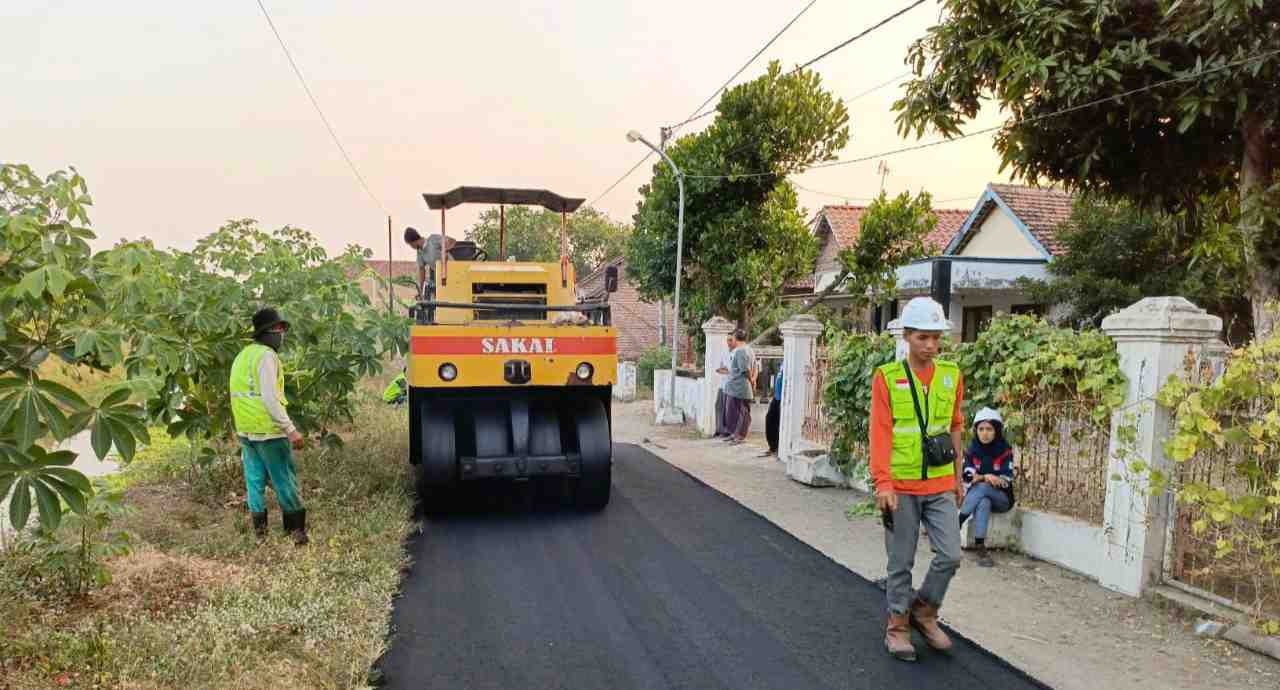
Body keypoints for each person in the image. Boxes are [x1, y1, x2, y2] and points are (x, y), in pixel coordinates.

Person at [870, 296, 965, 661]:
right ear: (907, 337)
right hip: (901, 486)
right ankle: (897, 626)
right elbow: (880, 433)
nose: (931, 345)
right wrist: (883, 483)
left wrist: (958, 478)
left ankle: (924, 610)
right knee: (900, 561)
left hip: (940, 484)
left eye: (936, 337)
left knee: (951, 555)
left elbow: (955, 426)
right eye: (923, 337)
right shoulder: (888, 378)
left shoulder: (951, 376)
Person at [230, 308, 309, 545]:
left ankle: (260, 536)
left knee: (254, 481)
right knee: (284, 479)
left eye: (283, 329)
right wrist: (290, 429)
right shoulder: (266, 356)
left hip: (246, 430)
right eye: (277, 329)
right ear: (265, 333)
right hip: (268, 431)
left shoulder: (244, 355)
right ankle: (296, 533)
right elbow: (269, 398)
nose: (281, 334)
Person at [959, 407, 1016, 567]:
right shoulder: (971, 451)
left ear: (996, 431)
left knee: (983, 488)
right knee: (983, 500)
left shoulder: (1005, 450)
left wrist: (982, 478)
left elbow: (1006, 479)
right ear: (976, 430)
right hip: (979, 498)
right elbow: (967, 477)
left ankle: (956, 523)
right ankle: (980, 547)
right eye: (981, 429)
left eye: (989, 429)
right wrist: (986, 477)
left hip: (1002, 499)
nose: (985, 433)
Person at [404, 226, 456, 299]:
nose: (411, 247)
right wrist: (421, 290)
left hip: (454, 271)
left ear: (413, 241)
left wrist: (445, 250)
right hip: (440, 277)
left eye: (410, 244)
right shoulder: (420, 252)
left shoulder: (433, 240)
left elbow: (453, 241)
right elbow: (421, 270)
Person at [723, 329, 754, 445]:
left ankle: (740, 436)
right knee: (734, 413)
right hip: (736, 387)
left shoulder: (741, 351)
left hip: (739, 387)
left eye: (733, 338)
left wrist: (751, 381)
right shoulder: (748, 350)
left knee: (741, 413)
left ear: (736, 338)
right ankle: (735, 434)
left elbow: (745, 370)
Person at [713, 334, 735, 438]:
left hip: (732, 386)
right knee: (718, 405)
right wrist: (727, 370)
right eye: (728, 340)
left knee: (729, 409)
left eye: (731, 340)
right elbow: (719, 368)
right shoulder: (724, 353)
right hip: (722, 385)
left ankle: (727, 431)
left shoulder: (737, 353)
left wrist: (727, 370)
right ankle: (719, 429)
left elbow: (733, 371)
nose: (729, 342)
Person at [761, 369, 782, 458]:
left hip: (781, 399)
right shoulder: (783, 365)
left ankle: (775, 447)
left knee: (776, 423)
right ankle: (773, 447)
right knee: (769, 419)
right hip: (776, 398)